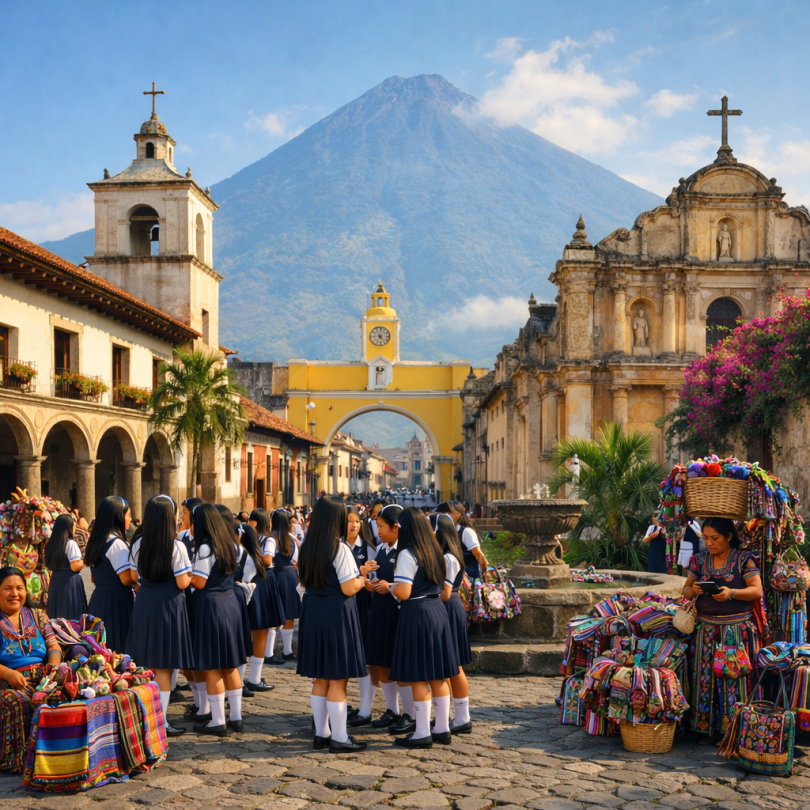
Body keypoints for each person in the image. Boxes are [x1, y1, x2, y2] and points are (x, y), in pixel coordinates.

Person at [682, 517, 763, 742]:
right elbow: (686, 591)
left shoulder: (743, 559)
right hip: (705, 630)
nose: (708, 542)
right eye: (705, 538)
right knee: (704, 678)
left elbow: (757, 591)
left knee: (733, 679)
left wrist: (731, 593)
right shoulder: (698, 561)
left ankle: (734, 731)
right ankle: (705, 729)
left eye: (714, 538)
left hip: (735, 632)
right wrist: (694, 589)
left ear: (728, 537)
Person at [297, 495, 367, 753]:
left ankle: (321, 733)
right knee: (337, 678)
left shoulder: (307, 545)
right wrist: (362, 578)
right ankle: (339, 737)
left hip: (313, 611)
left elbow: (302, 582)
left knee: (320, 677)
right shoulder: (340, 548)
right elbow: (349, 588)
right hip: (336, 613)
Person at [388, 508, 459, 748]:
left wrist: (390, 588)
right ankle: (442, 728)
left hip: (416, 614)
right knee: (438, 675)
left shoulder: (408, 554)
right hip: (437, 610)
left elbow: (404, 592)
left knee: (419, 677)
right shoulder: (436, 551)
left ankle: (421, 732)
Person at [126, 495, 194, 738]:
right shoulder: (176, 546)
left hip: (145, 602)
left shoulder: (138, 544)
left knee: (147, 665)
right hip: (169, 605)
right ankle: (161, 722)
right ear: (169, 517)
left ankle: (146, 719)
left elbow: (134, 577)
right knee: (165, 668)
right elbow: (182, 582)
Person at [188, 503, 248, 736]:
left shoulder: (205, 548)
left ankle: (217, 721)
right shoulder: (230, 544)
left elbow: (200, 582)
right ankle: (236, 717)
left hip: (211, 605)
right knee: (230, 664)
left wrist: (187, 576)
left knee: (213, 666)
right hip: (230, 601)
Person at [354, 503, 404, 731]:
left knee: (396, 662)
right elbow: (377, 576)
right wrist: (371, 583)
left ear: (396, 527)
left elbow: (411, 585)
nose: (379, 531)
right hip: (380, 607)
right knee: (380, 661)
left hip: (397, 610)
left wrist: (390, 585)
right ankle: (392, 709)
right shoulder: (382, 548)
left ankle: (410, 712)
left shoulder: (404, 551)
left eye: (382, 526)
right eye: (377, 525)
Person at [431, 513, 473, 733]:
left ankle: (463, 717)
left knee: (454, 665)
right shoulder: (446, 554)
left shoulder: (448, 557)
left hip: (447, 606)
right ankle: (446, 716)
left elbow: (445, 593)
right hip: (447, 607)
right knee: (448, 665)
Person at [215, 505, 257, 696]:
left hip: (232, 596)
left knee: (234, 645)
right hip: (233, 597)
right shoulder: (234, 547)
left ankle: (238, 685)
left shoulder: (233, 549)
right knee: (233, 645)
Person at [85, 496, 135, 653]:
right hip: (116, 602)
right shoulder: (117, 544)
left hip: (99, 598)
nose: (131, 519)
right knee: (117, 648)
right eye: (128, 515)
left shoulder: (97, 541)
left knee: (101, 647)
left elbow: (94, 578)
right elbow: (126, 579)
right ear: (118, 516)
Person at [238, 522, 276, 694]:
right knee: (259, 636)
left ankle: (243, 681)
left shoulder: (240, 555)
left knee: (245, 639)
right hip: (256, 596)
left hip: (245, 596)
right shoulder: (254, 557)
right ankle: (252, 679)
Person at [247, 509, 286, 665]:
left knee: (258, 630)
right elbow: (267, 561)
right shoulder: (259, 539)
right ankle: (253, 679)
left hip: (261, 581)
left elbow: (268, 560)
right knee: (259, 631)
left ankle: (253, 677)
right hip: (260, 582)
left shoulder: (266, 540)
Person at [267, 509, 299, 665]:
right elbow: (296, 560)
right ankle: (281, 651)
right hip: (288, 575)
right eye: (290, 521)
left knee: (280, 613)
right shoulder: (289, 540)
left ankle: (275, 651)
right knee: (286, 614)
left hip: (276, 574)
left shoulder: (271, 538)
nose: (293, 524)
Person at [44, 513, 87, 620]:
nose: (75, 528)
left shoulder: (50, 544)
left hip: (56, 581)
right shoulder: (70, 544)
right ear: (68, 527)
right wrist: (85, 560)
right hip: (70, 582)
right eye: (74, 526)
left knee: (58, 612)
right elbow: (75, 566)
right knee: (71, 613)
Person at [437, 501, 488, 582]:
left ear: (459, 514)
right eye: (442, 513)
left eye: (448, 512)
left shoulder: (466, 532)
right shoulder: (440, 532)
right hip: (446, 580)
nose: (445, 515)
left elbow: (479, 555)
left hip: (465, 582)